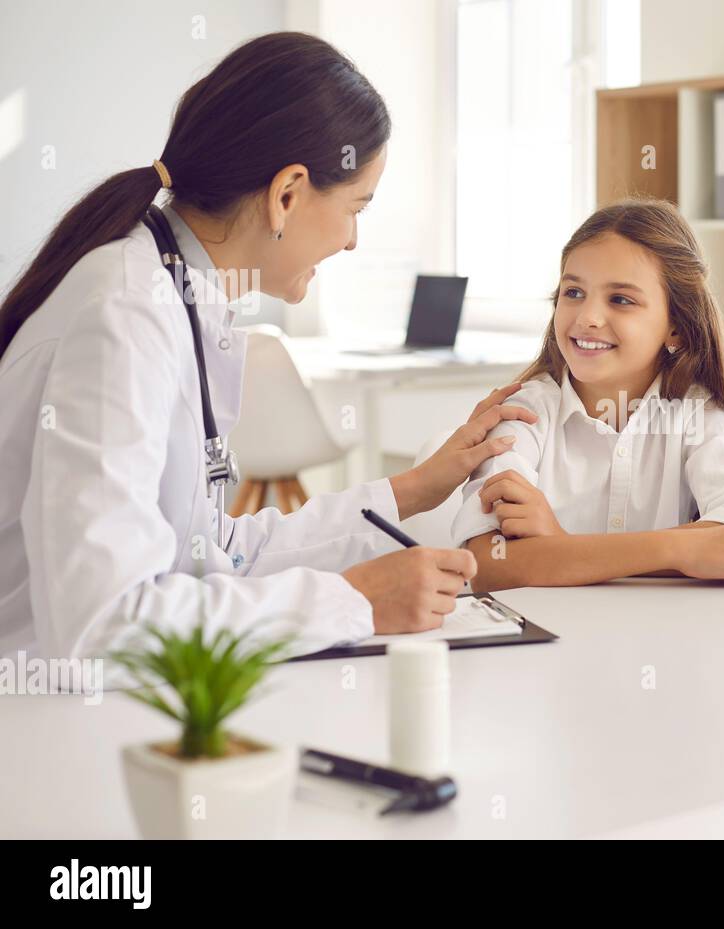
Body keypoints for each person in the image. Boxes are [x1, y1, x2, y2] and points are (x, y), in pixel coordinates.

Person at [0, 32, 536, 660]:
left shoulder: (175, 292)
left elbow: (216, 552)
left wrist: (417, 488)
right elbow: (102, 621)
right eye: (356, 207)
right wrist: (354, 602)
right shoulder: (125, 312)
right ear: (287, 195)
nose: (353, 240)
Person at [449, 199, 724, 591]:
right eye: (573, 292)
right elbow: (491, 565)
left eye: (620, 299)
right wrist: (682, 549)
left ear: (675, 326)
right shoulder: (521, 415)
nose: (587, 316)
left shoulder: (696, 413)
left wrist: (559, 546)